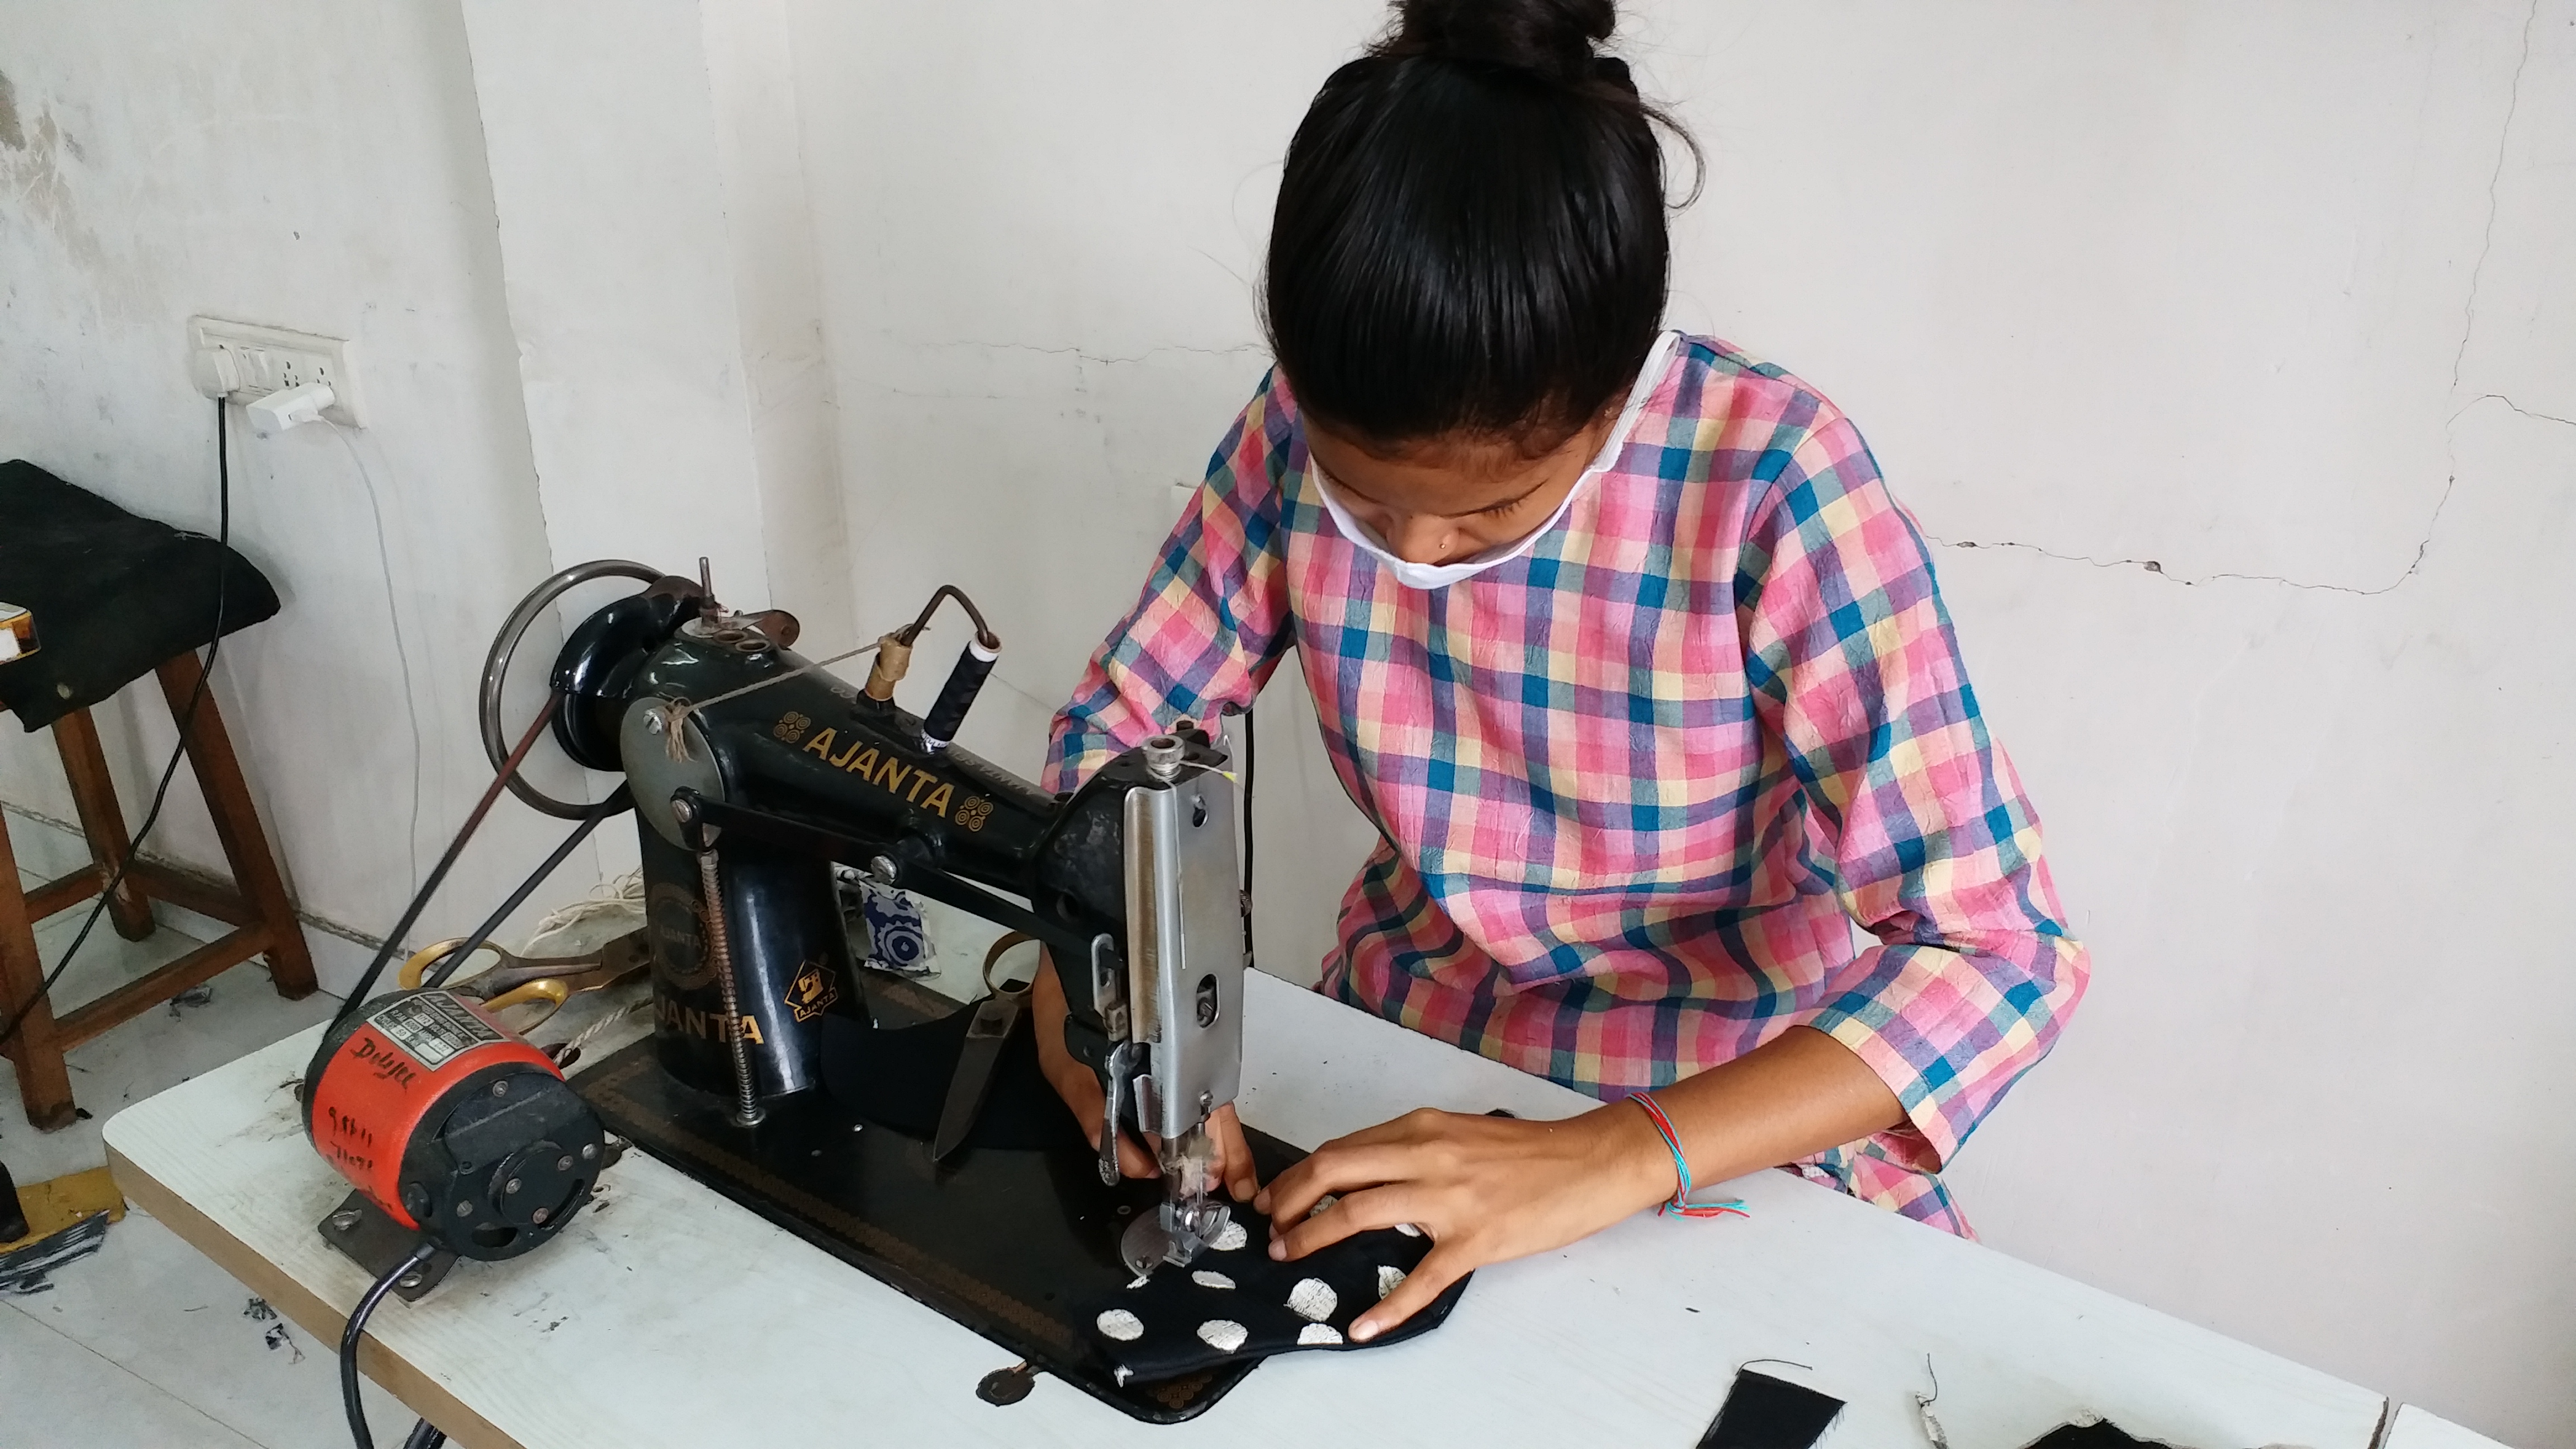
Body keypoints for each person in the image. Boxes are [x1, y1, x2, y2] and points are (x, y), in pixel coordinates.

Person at [1030, 0, 2087, 1345]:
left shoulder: (1772, 484)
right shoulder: (1290, 436)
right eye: (1364, 498)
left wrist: (1611, 1154)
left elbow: (2001, 954)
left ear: (1618, 394)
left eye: (1490, 511)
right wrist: (1087, 997)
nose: (1412, 551)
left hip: (1717, 1110)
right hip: (1399, 1053)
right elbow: (1123, 739)